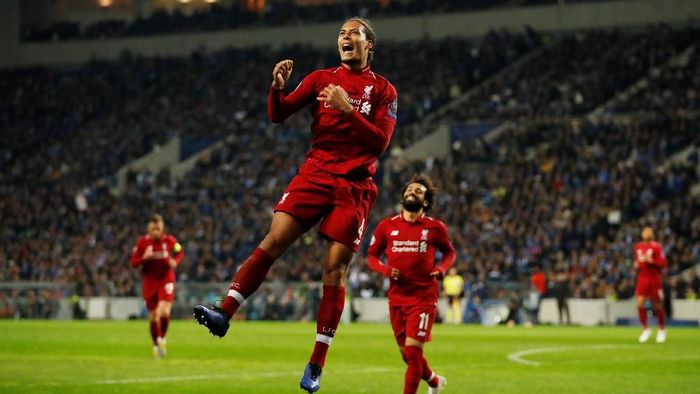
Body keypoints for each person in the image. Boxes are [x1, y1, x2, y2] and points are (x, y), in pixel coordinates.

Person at [192, 16, 397, 393]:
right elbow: (278, 114)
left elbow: (380, 144)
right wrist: (276, 88)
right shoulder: (320, 79)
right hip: (315, 173)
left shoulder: (384, 91)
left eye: (353, 33)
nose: (345, 38)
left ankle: (316, 365)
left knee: (334, 271)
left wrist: (348, 108)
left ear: (369, 44)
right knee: (274, 240)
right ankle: (224, 313)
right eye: (341, 34)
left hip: (353, 186)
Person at [367, 175, 455, 394]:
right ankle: (434, 381)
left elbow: (449, 253)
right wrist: (385, 270)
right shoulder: (387, 226)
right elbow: (371, 257)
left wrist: (441, 269)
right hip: (396, 298)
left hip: (423, 298)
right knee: (407, 355)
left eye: (418, 191)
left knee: (414, 353)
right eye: (409, 190)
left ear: (425, 202)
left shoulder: (435, 228)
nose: (412, 193)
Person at [130, 214, 183, 358]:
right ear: (148, 228)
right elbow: (133, 263)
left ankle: (163, 338)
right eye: (153, 228)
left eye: (158, 228)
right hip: (149, 281)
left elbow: (179, 251)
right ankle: (156, 345)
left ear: (162, 227)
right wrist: (144, 258)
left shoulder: (170, 240)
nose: (156, 231)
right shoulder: (142, 243)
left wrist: (175, 261)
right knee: (153, 317)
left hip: (166, 279)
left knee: (164, 312)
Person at [634, 227, 668, 343]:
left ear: (652, 235)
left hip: (654, 280)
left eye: (649, 232)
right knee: (640, 302)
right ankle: (646, 329)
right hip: (642, 279)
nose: (647, 234)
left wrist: (652, 261)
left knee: (658, 304)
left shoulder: (657, 247)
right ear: (642, 234)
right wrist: (637, 265)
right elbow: (638, 261)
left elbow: (663, 263)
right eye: (645, 232)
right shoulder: (638, 247)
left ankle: (662, 329)